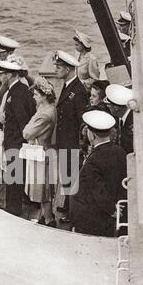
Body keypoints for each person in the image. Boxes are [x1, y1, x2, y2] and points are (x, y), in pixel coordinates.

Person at [71, 110, 127, 237]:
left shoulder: (94, 160)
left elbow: (97, 191)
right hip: (111, 218)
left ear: (92, 135)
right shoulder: (120, 151)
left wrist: (111, 209)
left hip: (92, 220)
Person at [0, 59, 35, 216]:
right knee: (13, 178)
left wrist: (19, 145)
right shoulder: (18, 90)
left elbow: (23, 122)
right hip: (14, 143)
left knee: (14, 179)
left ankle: (13, 210)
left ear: (10, 75)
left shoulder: (17, 93)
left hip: (16, 145)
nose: (0, 78)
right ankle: (12, 208)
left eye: (2, 74)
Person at [54, 50, 89, 223]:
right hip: (65, 141)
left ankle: (73, 213)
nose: (56, 70)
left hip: (72, 143)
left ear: (68, 69)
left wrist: (79, 146)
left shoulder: (78, 91)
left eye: (59, 67)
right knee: (67, 175)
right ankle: (68, 205)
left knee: (72, 176)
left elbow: (82, 121)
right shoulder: (69, 87)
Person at [23, 76, 57, 227]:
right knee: (43, 189)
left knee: (44, 191)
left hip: (42, 154)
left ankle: (49, 221)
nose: (33, 97)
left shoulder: (45, 114)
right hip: (42, 152)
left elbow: (27, 133)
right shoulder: (46, 108)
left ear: (44, 96)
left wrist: (29, 126)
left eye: (36, 94)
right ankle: (45, 217)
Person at [105, 84, 134, 154]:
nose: (108, 108)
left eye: (109, 105)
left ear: (116, 108)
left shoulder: (132, 122)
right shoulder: (122, 119)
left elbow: (128, 148)